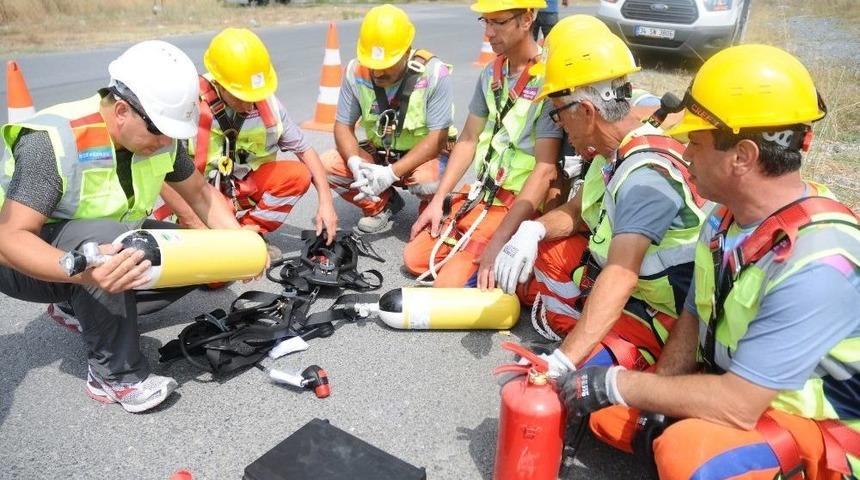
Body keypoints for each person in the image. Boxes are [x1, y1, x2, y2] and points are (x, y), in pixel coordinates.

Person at [558, 44, 860, 479]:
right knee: (616, 415)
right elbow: (693, 316)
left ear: (743, 156)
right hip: (746, 388)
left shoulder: (819, 263)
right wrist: (651, 401)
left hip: (818, 433)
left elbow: (738, 404)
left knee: (691, 452)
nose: (683, 155)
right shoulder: (722, 220)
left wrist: (618, 384)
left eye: (695, 143)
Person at [0, 41, 250, 413]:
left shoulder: (161, 137)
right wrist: (79, 271)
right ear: (121, 111)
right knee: (111, 247)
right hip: (26, 263)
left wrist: (238, 249)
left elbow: (201, 195)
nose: (167, 143)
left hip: (98, 246)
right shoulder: (53, 142)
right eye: (158, 132)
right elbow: (9, 238)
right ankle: (114, 375)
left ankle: (78, 306)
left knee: (199, 251)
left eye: (172, 133)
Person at [493, 20, 707, 374]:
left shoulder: (644, 177)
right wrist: (532, 231)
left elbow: (621, 275)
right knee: (549, 256)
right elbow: (577, 211)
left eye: (558, 114)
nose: (558, 126)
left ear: (587, 111)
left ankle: (597, 349)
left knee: (579, 398)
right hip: (636, 297)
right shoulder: (610, 153)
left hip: (665, 318)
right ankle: (585, 333)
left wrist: (563, 362)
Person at [405, 0, 564, 287]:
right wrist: (439, 199)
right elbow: (468, 140)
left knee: (448, 285)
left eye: (498, 22)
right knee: (415, 259)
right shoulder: (491, 73)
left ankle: (503, 263)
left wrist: (500, 239)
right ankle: (476, 255)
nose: (489, 33)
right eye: (486, 22)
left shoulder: (548, 81)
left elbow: (545, 170)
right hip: (483, 195)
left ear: (527, 20)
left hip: (517, 203)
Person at [158, 28, 337, 251]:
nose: (250, 103)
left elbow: (305, 150)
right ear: (220, 83)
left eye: (256, 94)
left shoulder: (270, 106)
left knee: (297, 175)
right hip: (201, 197)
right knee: (216, 278)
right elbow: (161, 171)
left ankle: (251, 232)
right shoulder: (188, 106)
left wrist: (326, 202)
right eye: (242, 96)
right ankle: (226, 239)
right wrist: (193, 221)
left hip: (241, 189)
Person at [323, 4, 454, 234]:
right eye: (372, 65)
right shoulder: (355, 72)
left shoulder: (434, 73)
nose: (377, 73)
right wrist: (354, 162)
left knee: (430, 181)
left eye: (385, 66)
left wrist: (391, 173)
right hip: (380, 155)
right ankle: (381, 203)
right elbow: (343, 125)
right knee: (328, 165)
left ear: (407, 51)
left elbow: (437, 138)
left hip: (424, 158)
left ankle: (432, 207)